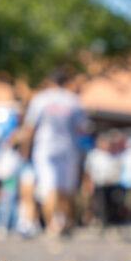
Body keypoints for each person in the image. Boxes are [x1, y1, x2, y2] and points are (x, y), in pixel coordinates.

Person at [23, 70, 87, 236]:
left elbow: (29, 127)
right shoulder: (73, 100)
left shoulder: (40, 99)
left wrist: (25, 150)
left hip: (44, 147)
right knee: (66, 189)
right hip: (68, 148)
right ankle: (63, 224)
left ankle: (52, 226)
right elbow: (83, 128)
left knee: (48, 188)